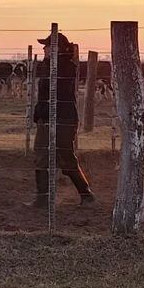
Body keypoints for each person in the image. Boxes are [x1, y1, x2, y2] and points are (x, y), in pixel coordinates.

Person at [31, 29, 95, 207]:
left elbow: (58, 88)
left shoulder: (67, 66)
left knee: (65, 156)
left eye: (47, 46)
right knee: (41, 155)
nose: (44, 50)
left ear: (57, 49)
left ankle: (86, 193)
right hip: (46, 118)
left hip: (63, 119)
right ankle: (42, 198)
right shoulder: (48, 64)